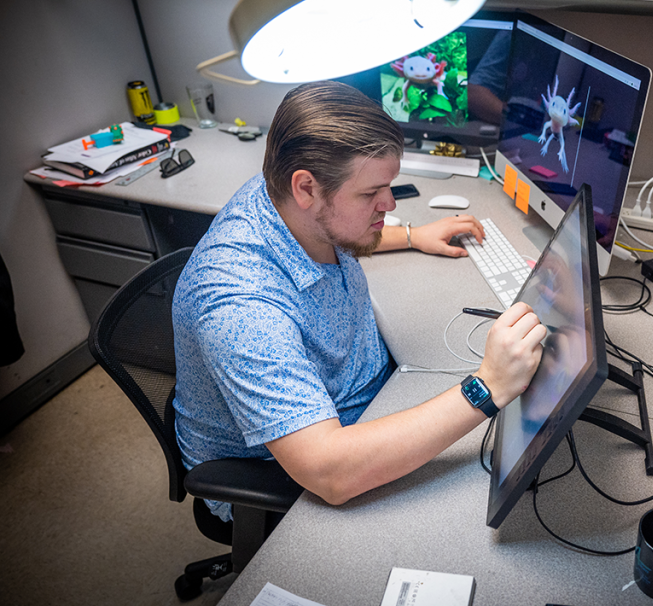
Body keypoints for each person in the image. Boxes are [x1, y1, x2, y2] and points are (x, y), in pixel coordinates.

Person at [173, 81, 546, 521]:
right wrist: (489, 387)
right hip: (298, 472)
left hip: (367, 393)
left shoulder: (281, 194)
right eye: (371, 194)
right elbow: (330, 473)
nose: (388, 203)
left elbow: (329, 224)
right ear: (306, 187)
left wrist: (410, 235)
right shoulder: (240, 310)